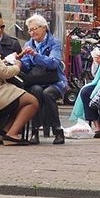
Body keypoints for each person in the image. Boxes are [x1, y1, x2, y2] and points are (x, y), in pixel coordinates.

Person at [20, 14, 67, 145]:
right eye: (29, 30)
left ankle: (57, 131)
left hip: (55, 80)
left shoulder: (54, 43)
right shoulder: (28, 44)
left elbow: (53, 63)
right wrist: (19, 61)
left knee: (48, 93)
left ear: (44, 28)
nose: (32, 32)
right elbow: (26, 65)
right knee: (35, 92)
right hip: (37, 81)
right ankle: (34, 131)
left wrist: (35, 55)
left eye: (35, 28)